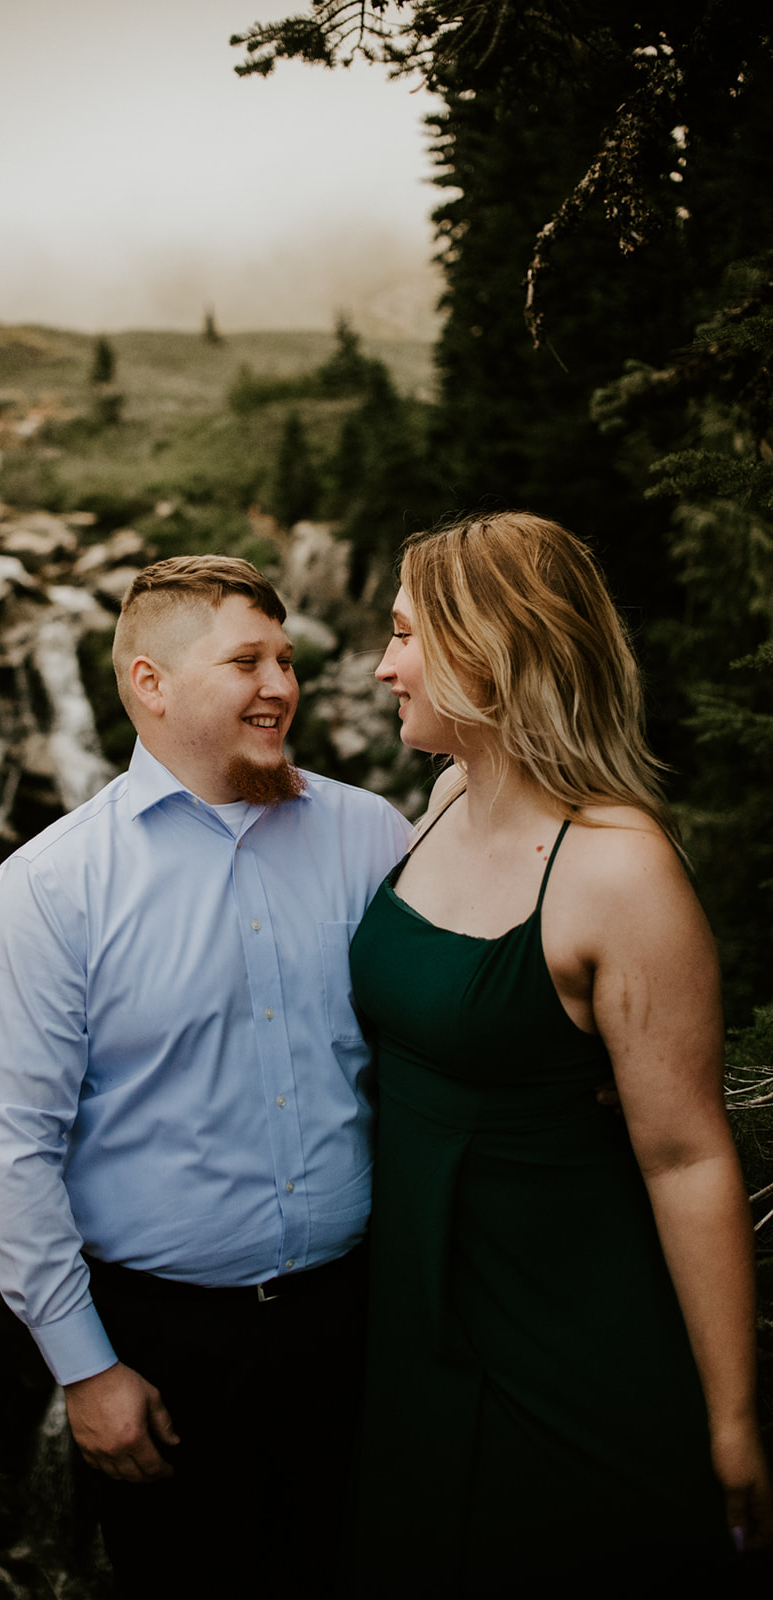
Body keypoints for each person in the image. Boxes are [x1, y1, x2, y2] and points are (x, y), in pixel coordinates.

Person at [0, 555, 411, 1600]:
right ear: (149, 683)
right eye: (245, 659)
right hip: (161, 1346)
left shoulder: (371, 836)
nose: (281, 685)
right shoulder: (53, 885)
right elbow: (9, 1141)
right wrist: (85, 1365)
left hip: (358, 1322)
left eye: (288, 660)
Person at [349, 511, 773, 1597]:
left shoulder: (617, 873)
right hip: (420, 1308)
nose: (382, 665)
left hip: (563, 1321)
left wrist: (731, 1418)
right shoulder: (443, 799)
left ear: (484, 655)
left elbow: (687, 1156)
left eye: (403, 637)